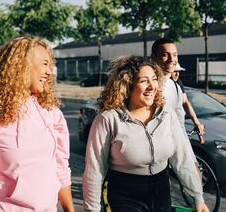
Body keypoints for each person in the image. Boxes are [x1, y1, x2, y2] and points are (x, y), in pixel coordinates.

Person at [82, 55, 208, 212]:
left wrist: (198, 198)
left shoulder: (167, 114)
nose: (152, 86)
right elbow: (94, 169)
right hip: (123, 194)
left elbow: (181, 159)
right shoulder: (108, 120)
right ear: (127, 85)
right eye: (143, 81)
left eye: (154, 79)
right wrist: (91, 209)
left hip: (161, 190)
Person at [0, 35, 74, 212]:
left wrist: (70, 210)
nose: (49, 72)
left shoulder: (53, 114)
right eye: (45, 63)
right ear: (21, 66)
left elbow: (61, 168)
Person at [150, 38, 204, 135]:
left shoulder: (176, 87)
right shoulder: (147, 87)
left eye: (175, 55)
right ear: (153, 57)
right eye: (165, 55)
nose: (171, 59)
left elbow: (179, 121)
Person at [171, 63, 204, 135]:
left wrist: (196, 122)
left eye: (178, 71)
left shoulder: (178, 82)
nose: (177, 74)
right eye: (174, 71)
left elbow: (185, 102)